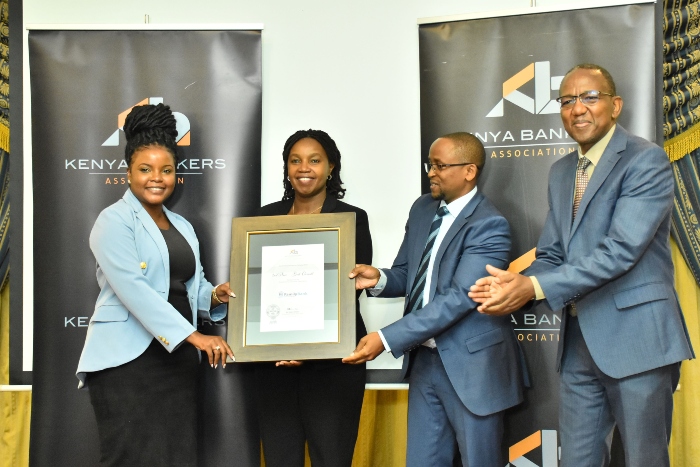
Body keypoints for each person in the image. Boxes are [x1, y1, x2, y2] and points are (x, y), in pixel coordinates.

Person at [469, 64, 695, 467]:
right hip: (578, 346)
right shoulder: (561, 172)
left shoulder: (646, 161)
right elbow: (553, 254)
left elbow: (621, 250)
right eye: (568, 100)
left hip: (638, 341)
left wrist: (536, 289)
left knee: (645, 460)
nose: (578, 109)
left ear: (615, 105)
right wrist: (517, 284)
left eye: (590, 97)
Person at [343, 132, 526, 467]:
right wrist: (379, 278)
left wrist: (386, 338)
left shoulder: (490, 226)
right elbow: (408, 273)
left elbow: (457, 299)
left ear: (469, 171)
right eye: (430, 164)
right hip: (425, 362)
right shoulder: (423, 208)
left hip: (472, 368)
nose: (431, 172)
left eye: (440, 165)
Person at [76, 103, 234, 467]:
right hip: (126, 362)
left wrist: (214, 296)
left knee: (177, 457)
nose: (156, 178)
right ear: (128, 172)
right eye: (145, 169)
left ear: (176, 174)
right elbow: (134, 289)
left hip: (176, 362)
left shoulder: (182, 225)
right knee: (130, 457)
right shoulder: (113, 220)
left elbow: (189, 285)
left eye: (166, 170)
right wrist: (196, 337)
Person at [254, 129, 373, 467]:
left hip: (334, 363)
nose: (304, 168)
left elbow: (349, 289)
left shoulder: (352, 218)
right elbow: (257, 292)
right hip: (274, 363)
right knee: (280, 459)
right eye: (295, 160)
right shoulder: (262, 219)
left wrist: (305, 346)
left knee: (331, 458)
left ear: (331, 167)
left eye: (314, 160)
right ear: (286, 168)